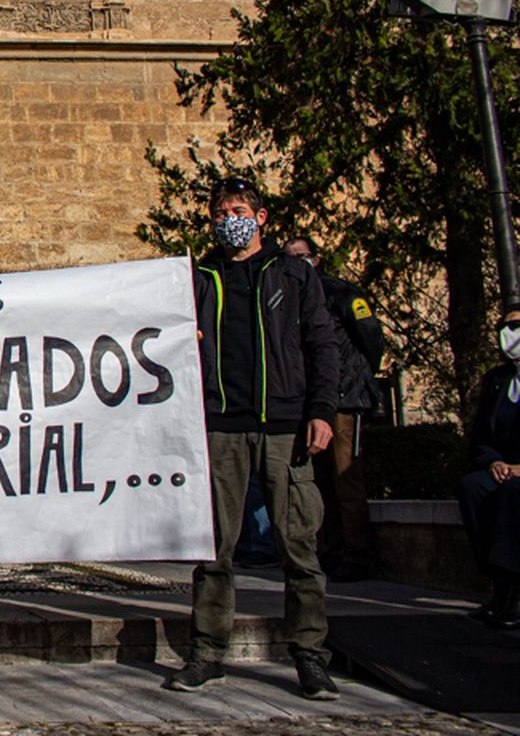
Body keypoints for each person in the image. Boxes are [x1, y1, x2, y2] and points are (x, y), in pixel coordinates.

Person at [167, 176, 341, 700]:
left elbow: (321, 344)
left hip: (285, 424)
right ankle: (208, 651)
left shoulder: (292, 275)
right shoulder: (199, 279)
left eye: (238, 210)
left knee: (298, 545)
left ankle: (309, 655)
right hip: (220, 424)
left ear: (261, 217)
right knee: (214, 546)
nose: (228, 220)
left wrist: (323, 411)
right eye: (220, 213)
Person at [284, 235, 385, 581]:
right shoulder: (289, 297)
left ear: (317, 258)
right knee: (320, 482)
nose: (298, 262)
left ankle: (357, 554)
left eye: (303, 256)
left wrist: (361, 377)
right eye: (290, 258)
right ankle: (330, 550)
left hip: (344, 398)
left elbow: (369, 334)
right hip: (311, 402)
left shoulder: (339, 292)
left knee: (347, 480)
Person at [457, 307, 520, 629]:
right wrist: (493, 462)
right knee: (473, 487)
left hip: (518, 476)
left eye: (518, 326)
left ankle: (515, 591)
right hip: (504, 468)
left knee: (511, 492)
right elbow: (481, 434)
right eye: (507, 326)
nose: (511, 333)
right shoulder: (498, 379)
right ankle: (499, 584)